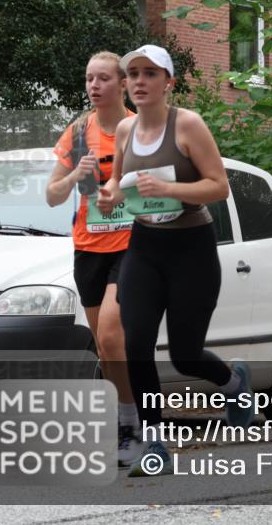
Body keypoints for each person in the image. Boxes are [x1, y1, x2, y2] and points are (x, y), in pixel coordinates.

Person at [97, 44, 252, 476]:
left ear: (169, 82)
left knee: (185, 354)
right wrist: (109, 199)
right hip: (145, 246)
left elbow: (219, 187)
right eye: (133, 74)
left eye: (150, 73)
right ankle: (155, 443)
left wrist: (169, 190)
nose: (140, 81)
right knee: (136, 346)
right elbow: (116, 186)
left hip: (192, 248)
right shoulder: (126, 132)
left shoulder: (187, 125)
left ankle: (234, 383)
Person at [47, 51, 141, 466]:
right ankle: (129, 415)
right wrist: (74, 173)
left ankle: (128, 426)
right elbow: (52, 196)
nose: (94, 86)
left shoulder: (139, 128)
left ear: (121, 83)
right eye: (89, 79)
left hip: (133, 244)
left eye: (103, 78)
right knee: (106, 349)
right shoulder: (78, 132)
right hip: (88, 247)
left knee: (108, 333)